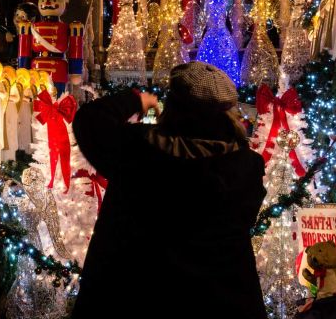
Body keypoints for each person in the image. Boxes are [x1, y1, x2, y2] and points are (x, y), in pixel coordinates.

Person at [71, 61, 266, 318]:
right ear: (226, 113)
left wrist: (136, 100)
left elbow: (90, 120)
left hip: (130, 297)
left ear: (172, 106)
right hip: (218, 302)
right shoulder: (246, 166)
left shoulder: (135, 149)